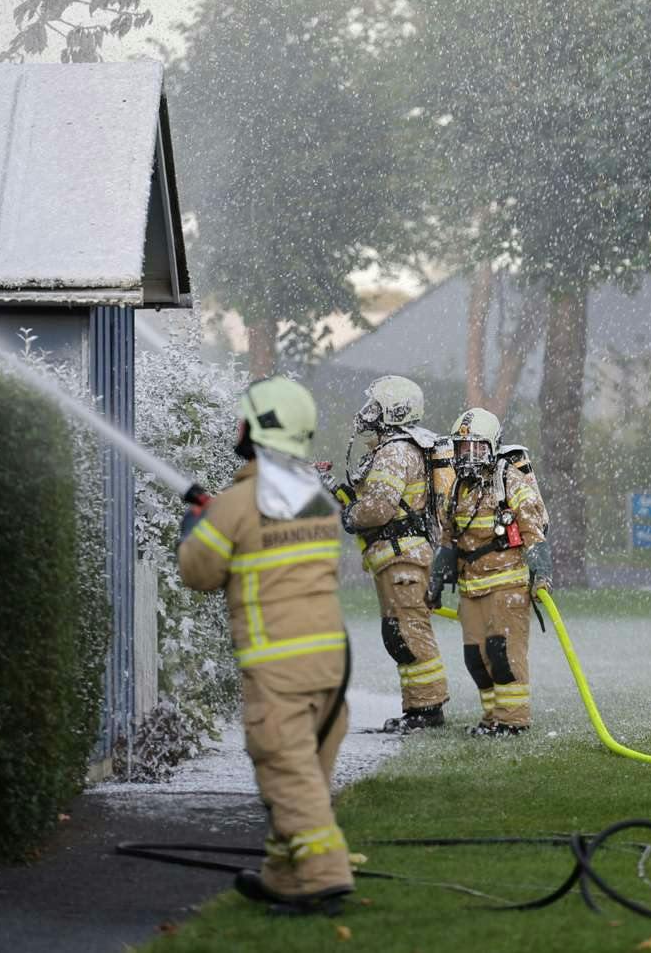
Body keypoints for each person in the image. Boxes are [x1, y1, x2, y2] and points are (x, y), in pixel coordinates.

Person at [178, 376, 354, 916]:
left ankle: (323, 875)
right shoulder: (317, 501)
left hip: (276, 667)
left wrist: (196, 524)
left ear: (257, 430)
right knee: (306, 775)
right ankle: (284, 874)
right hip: (331, 664)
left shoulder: (233, 506)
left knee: (284, 768)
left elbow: (198, 572)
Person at [432, 407, 550, 736]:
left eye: (476, 448)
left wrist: (540, 572)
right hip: (472, 588)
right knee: (476, 658)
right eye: (462, 448)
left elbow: (532, 528)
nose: (468, 456)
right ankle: (492, 718)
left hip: (506, 585)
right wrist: (436, 581)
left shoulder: (507, 480)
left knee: (503, 656)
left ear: (493, 447)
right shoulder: (458, 489)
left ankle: (513, 721)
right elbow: (447, 539)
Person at [342, 376, 449, 733]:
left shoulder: (394, 451)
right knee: (399, 632)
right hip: (398, 556)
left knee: (408, 631)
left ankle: (428, 710)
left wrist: (350, 515)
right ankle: (418, 708)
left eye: (374, 406)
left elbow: (379, 508)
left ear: (392, 410)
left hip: (403, 558)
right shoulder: (400, 447)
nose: (366, 413)